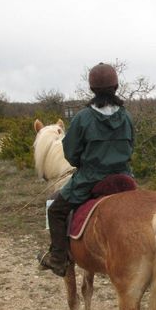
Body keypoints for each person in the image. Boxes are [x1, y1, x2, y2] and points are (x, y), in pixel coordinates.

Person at [38, 62, 135, 277]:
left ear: (92, 89)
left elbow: (71, 154)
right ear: (116, 87)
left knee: (54, 207)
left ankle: (58, 258)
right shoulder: (127, 117)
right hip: (124, 179)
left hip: (91, 179)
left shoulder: (83, 118)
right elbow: (130, 148)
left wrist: (83, 163)